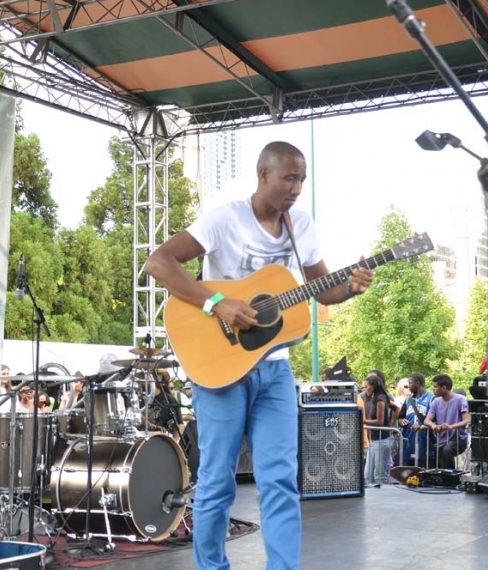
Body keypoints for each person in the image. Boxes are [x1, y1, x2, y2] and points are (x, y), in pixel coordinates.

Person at [143, 140, 373, 570]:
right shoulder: (223, 219)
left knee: (281, 481)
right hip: (220, 369)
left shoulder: (300, 224)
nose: (297, 188)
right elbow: (159, 262)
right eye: (289, 177)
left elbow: (326, 288)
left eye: (302, 179)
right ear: (263, 175)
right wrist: (217, 303)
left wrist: (352, 286)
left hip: (274, 371)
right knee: (216, 482)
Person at [424, 374, 470, 470]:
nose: (433, 389)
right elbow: (427, 420)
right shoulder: (436, 401)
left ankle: (451, 479)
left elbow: (467, 420)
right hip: (441, 440)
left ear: (444, 388)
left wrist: (450, 427)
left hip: (458, 440)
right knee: (435, 458)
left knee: (447, 450)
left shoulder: (461, 399)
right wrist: (433, 426)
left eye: (435, 387)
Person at [362, 372, 393, 487]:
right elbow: (396, 408)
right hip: (374, 440)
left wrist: (364, 422)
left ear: (373, 386)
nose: (365, 389)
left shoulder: (380, 399)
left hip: (382, 439)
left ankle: (382, 500)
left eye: (367, 386)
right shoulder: (373, 397)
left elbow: (380, 421)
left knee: (379, 475)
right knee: (368, 475)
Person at [397, 373, 434, 467]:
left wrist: (422, 426)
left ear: (417, 383)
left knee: (423, 472)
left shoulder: (432, 398)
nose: (408, 386)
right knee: (408, 473)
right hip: (408, 442)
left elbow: (436, 419)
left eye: (410, 383)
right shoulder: (408, 400)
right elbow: (400, 417)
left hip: (425, 442)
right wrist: (401, 421)